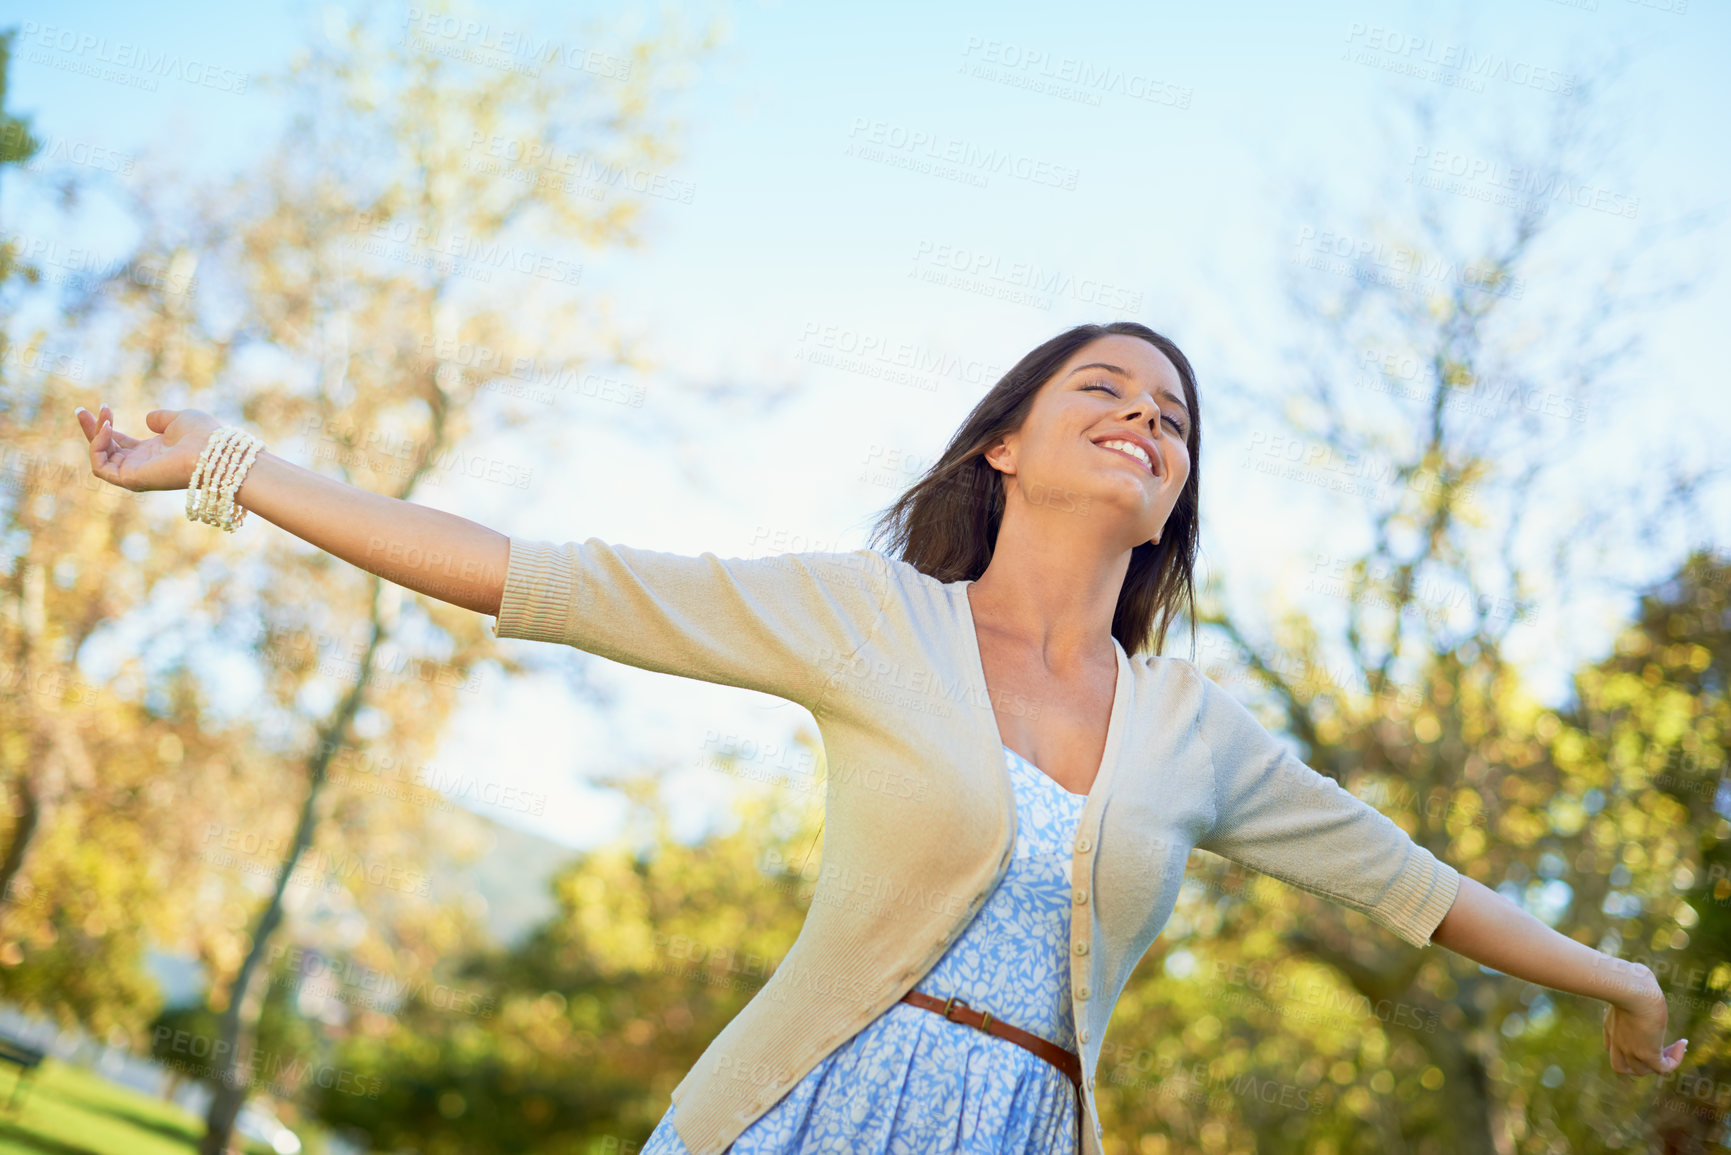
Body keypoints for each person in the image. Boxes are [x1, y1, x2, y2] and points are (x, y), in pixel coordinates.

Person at [76, 321, 1685, 1154]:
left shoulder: (1197, 736)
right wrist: (235, 465)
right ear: (1006, 441)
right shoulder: (870, 617)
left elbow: (1413, 887)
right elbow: (540, 576)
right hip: (796, 1113)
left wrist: (1616, 979)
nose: (1148, 418)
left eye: (1176, 418)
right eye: (1108, 391)